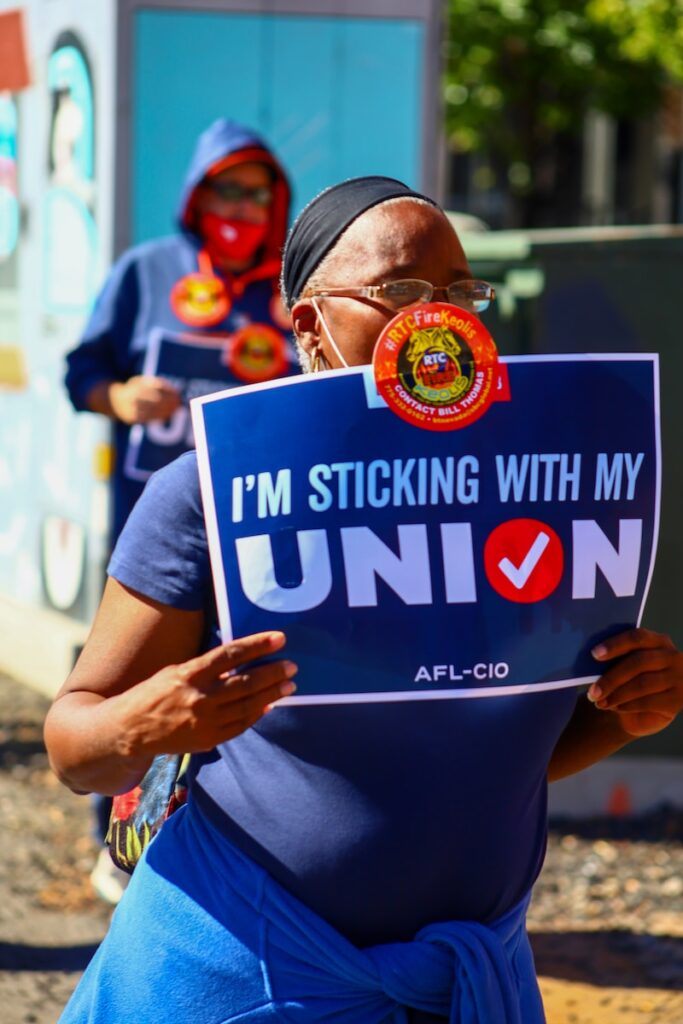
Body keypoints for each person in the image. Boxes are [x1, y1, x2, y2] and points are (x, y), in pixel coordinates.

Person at [46, 177, 683, 1023]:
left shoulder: (541, 494)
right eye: (402, 293)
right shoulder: (212, 489)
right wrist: (146, 723)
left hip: (463, 981)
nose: (442, 317)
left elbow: (487, 766)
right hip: (240, 973)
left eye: (463, 292)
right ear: (309, 322)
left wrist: (628, 709)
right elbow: (73, 746)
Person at [64, 118, 297, 903]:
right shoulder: (146, 270)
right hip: (154, 531)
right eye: (226, 189)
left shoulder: (291, 289)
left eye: (256, 192)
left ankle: (232, 851)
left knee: (249, 684)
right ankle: (119, 844)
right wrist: (119, 397)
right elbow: (81, 372)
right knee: (134, 683)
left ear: (277, 202)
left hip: (269, 534)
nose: (241, 205)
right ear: (197, 198)